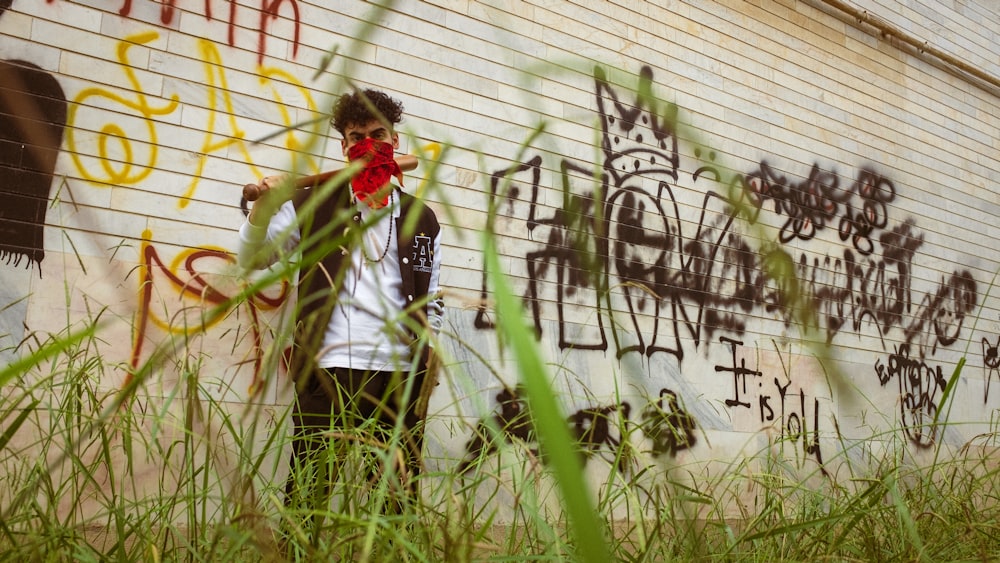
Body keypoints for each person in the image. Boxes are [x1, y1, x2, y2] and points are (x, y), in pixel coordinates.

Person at [237, 89, 443, 531]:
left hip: (398, 381)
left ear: (394, 139)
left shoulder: (423, 218)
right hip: (327, 373)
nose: (367, 144)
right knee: (308, 498)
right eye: (355, 137)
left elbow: (433, 298)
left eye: (378, 134)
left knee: (394, 506)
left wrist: (426, 364)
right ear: (343, 146)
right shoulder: (312, 204)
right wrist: (260, 213)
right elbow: (252, 261)